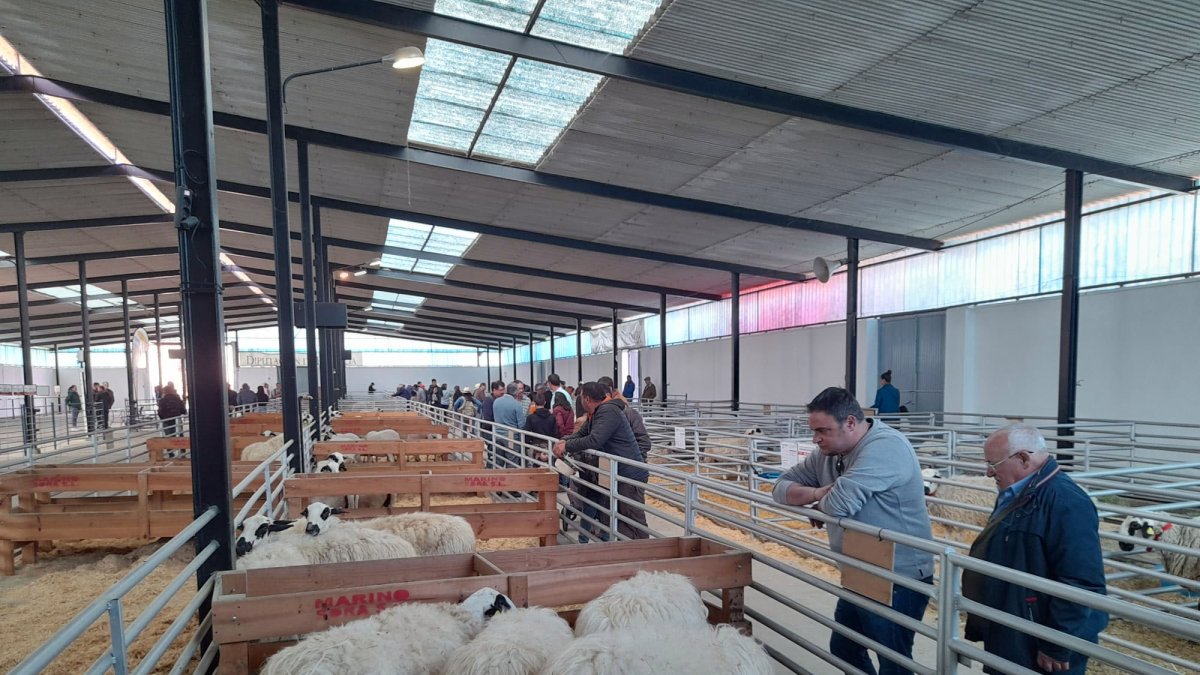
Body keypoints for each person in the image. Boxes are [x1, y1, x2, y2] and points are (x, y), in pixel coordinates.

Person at [771, 387, 933, 675]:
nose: (815, 438)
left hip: (897, 576)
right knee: (845, 648)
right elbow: (779, 487)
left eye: (823, 430)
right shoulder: (828, 452)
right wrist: (819, 492)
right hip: (860, 570)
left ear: (849, 423)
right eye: (814, 430)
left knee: (893, 659)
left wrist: (820, 503)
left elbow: (838, 504)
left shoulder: (885, 447)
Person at [962, 425, 1108, 674]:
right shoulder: (1017, 492)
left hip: (1038, 634)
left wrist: (1056, 644)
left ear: (1023, 458)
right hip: (1014, 622)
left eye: (994, 464)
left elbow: (1081, 581)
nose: (988, 472)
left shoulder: (1066, 502)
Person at [554, 381, 649, 540]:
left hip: (628, 475)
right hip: (617, 474)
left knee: (632, 520)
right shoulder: (598, 413)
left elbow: (594, 440)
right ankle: (630, 555)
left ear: (587, 399)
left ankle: (646, 556)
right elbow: (582, 434)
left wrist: (567, 446)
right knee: (618, 520)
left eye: (581, 397)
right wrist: (564, 442)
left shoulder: (608, 411)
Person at [598, 376, 651, 462]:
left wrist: (635, 458)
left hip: (630, 464)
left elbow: (644, 441)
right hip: (612, 463)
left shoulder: (628, 412)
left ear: (611, 391)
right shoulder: (601, 413)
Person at [492, 382, 524, 468]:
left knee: (498, 460)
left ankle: (498, 479)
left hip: (497, 434)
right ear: (516, 392)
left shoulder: (496, 401)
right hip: (510, 435)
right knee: (512, 460)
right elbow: (521, 424)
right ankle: (511, 480)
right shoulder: (516, 404)